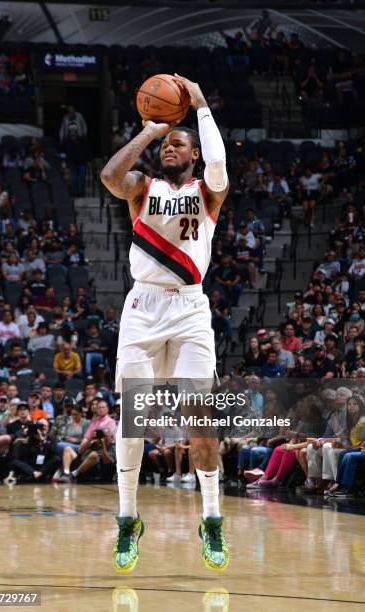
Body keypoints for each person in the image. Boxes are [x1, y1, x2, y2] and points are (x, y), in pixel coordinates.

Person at [101, 74, 229, 572]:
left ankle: (212, 519)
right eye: (167, 144)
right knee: (134, 417)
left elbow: (219, 163)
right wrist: (150, 132)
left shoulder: (208, 191)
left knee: (201, 417)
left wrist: (199, 106)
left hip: (191, 308)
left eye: (179, 142)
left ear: (193, 153)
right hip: (144, 308)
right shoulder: (142, 187)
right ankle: (128, 519)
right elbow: (112, 177)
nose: (170, 148)